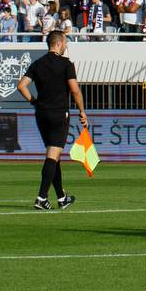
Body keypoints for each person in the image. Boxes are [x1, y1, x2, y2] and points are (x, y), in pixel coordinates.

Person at [16, 28, 88, 209]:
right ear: (58, 43)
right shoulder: (66, 64)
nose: (66, 45)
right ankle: (41, 197)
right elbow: (74, 90)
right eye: (65, 42)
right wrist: (82, 111)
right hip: (58, 113)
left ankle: (62, 197)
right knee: (52, 155)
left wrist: (34, 102)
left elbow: (21, 86)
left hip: (41, 114)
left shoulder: (38, 63)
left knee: (54, 155)